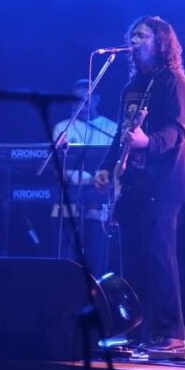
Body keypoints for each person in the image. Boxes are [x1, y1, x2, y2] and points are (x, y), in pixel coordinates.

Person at [95, 16, 185, 360]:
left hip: (162, 184)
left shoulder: (174, 82)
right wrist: (106, 166)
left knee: (159, 258)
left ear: (160, 42)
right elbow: (121, 133)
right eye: (132, 35)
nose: (134, 41)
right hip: (131, 185)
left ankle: (171, 334)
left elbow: (177, 131)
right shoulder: (132, 87)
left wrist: (146, 141)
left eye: (142, 35)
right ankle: (135, 332)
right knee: (132, 261)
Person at [51, 79, 119, 275]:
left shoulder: (111, 128)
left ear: (96, 99)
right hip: (68, 200)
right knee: (65, 256)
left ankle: (96, 290)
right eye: (76, 100)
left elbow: (116, 165)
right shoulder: (62, 128)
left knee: (96, 258)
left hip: (99, 200)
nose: (81, 105)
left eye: (86, 100)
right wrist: (88, 178)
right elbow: (57, 168)